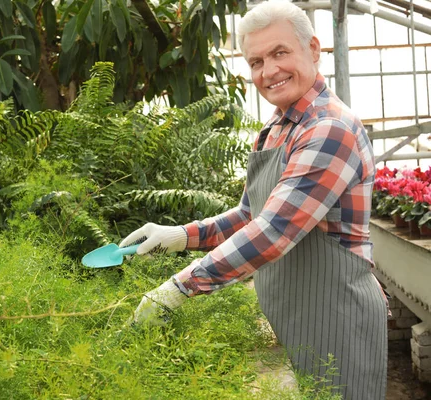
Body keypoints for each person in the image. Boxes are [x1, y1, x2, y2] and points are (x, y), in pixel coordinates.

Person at [119, 1, 387, 399]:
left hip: (337, 316)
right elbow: (250, 214)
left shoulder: (328, 128)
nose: (269, 71)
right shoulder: (277, 126)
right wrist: (180, 235)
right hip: (294, 313)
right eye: (257, 61)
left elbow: (274, 230)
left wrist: (179, 287)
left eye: (280, 53)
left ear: (313, 49)